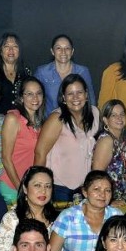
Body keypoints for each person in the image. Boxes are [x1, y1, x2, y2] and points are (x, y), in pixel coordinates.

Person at [45, 170, 123, 251]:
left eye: (107, 190)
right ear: (85, 192)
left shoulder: (117, 217)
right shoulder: (68, 217)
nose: (103, 194)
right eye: (96, 189)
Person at [34, 73, 100, 203]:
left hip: (85, 188)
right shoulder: (57, 119)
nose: (75, 97)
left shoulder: (95, 113)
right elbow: (39, 153)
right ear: (64, 98)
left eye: (79, 92)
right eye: (70, 94)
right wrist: (38, 186)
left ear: (86, 95)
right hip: (59, 188)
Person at [0, 166, 59, 251]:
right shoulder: (13, 218)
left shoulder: (58, 220)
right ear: (25, 189)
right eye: (37, 185)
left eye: (48, 186)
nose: (43, 190)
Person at [0, 76, 45, 205]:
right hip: (13, 186)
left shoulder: (42, 123)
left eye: (38, 93)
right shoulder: (13, 119)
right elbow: (5, 158)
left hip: (33, 188)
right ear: (21, 98)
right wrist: (21, 189)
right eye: (29, 94)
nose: (35, 98)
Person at [34, 34, 96, 118]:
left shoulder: (82, 71)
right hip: (50, 123)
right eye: (58, 48)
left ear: (72, 51)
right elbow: (34, 100)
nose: (63, 52)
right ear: (52, 51)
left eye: (67, 48)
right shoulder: (42, 72)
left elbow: (91, 101)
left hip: (77, 123)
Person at [92, 99, 126, 203]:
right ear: (106, 120)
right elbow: (96, 176)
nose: (119, 118)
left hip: (122, 199)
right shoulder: (107, 140)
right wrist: (109, 201)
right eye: (114, 115)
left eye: (122, 114)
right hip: (109, 200)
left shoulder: (122, 139)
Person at [0, 32, 33, 115]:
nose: (11, 50)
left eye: (15, 46)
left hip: (21, 121)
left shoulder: (27, 72)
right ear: (0, 50)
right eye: (6, 46)